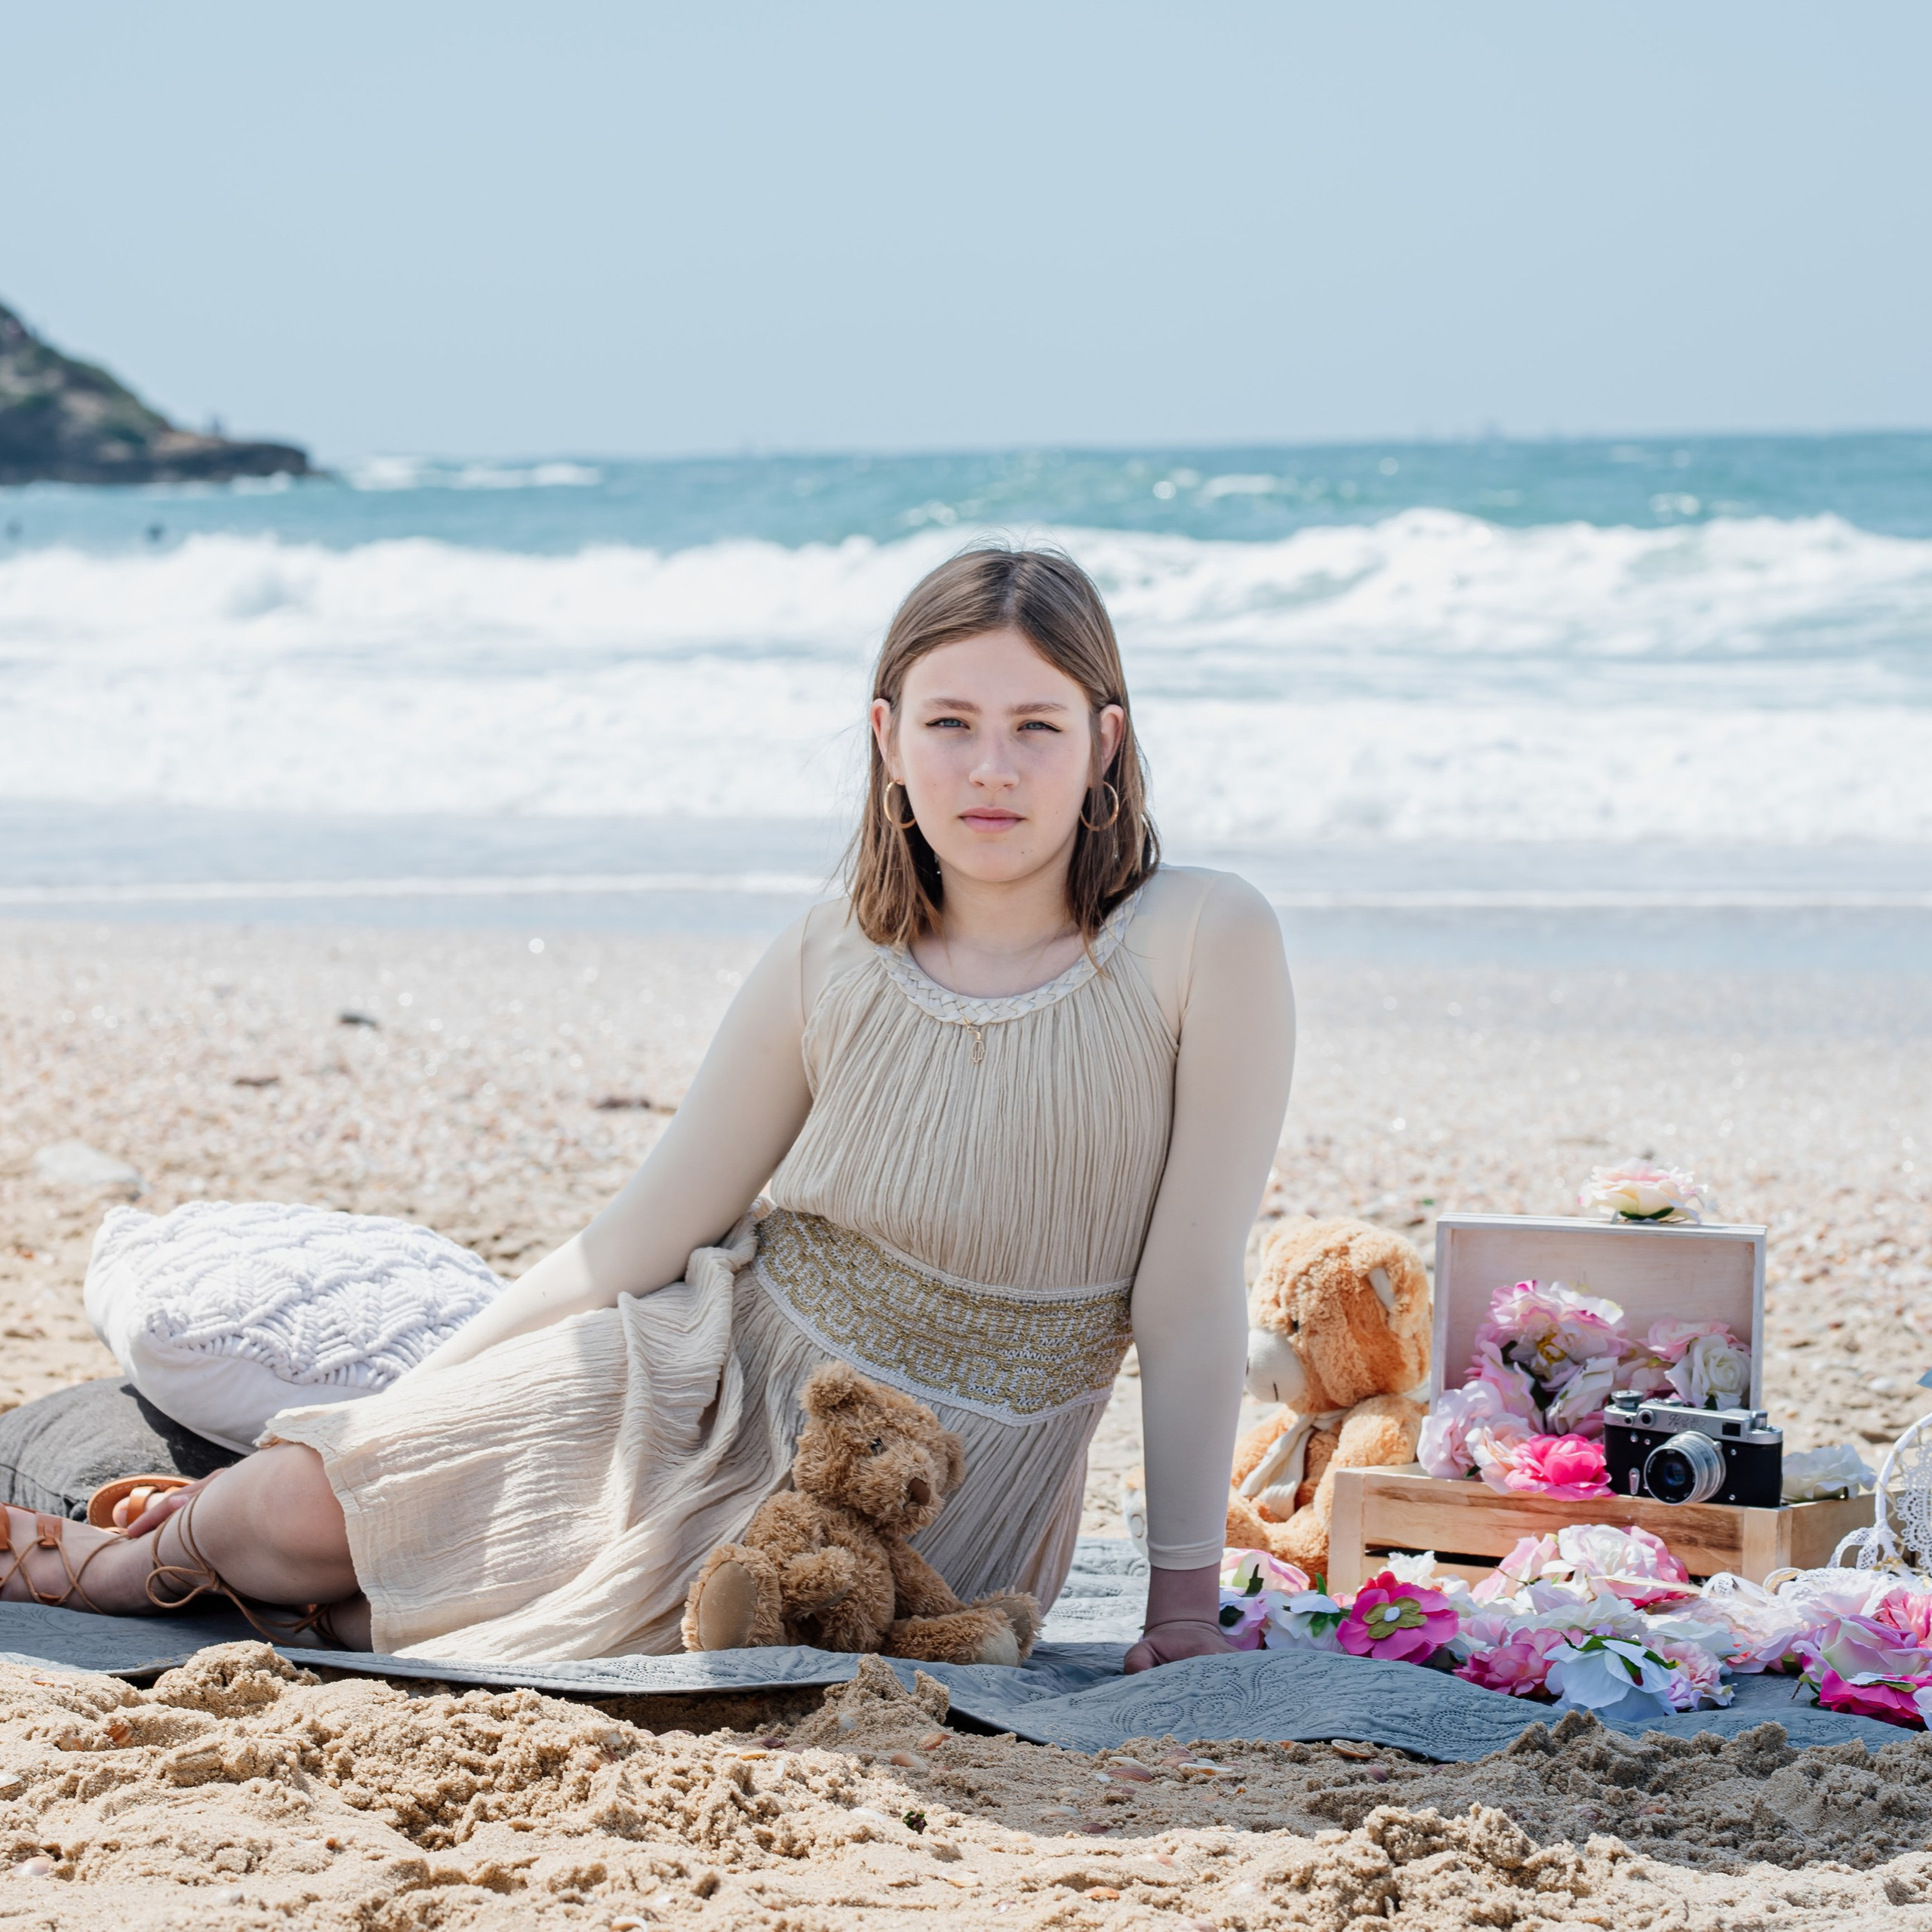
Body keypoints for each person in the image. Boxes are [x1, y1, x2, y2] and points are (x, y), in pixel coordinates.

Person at [2, 546, 1295, 1674]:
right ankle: (126, 1567)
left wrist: (1183, 1606)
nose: (991, 768)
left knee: (478, 1614)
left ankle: (183, 1558)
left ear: (1105, 742)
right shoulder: (831, 950)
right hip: (710, 1376)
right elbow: (644, 1234)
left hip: (942, 1492)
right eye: (951, 724)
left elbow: (1186, 1294)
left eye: (1038, 726)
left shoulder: (1199, 938)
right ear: (888, 739)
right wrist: (393, 1422)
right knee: (293, 1512)